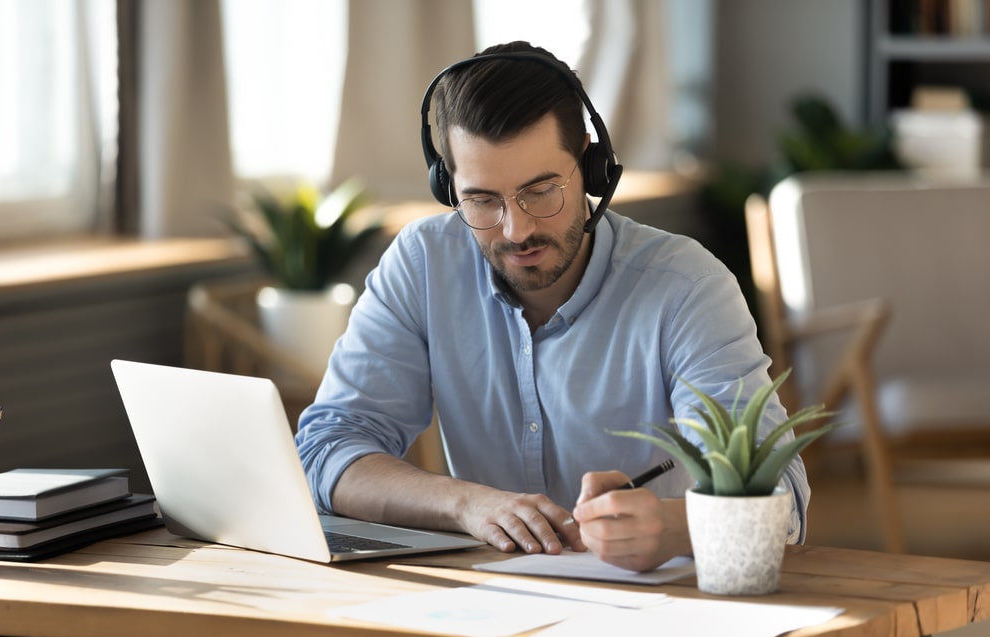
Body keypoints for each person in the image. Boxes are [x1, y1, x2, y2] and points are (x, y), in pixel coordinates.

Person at [296, 41, 809, 573]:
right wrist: (468, 504)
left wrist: (674, 527)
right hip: (488, 605)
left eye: (540, 191)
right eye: (482, 200)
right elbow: (328, 449)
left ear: (591, 165)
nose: (516, 230)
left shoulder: (686, 287)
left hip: (659, 606)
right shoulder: (423, 263)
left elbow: (783, 500)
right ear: (448, 186)